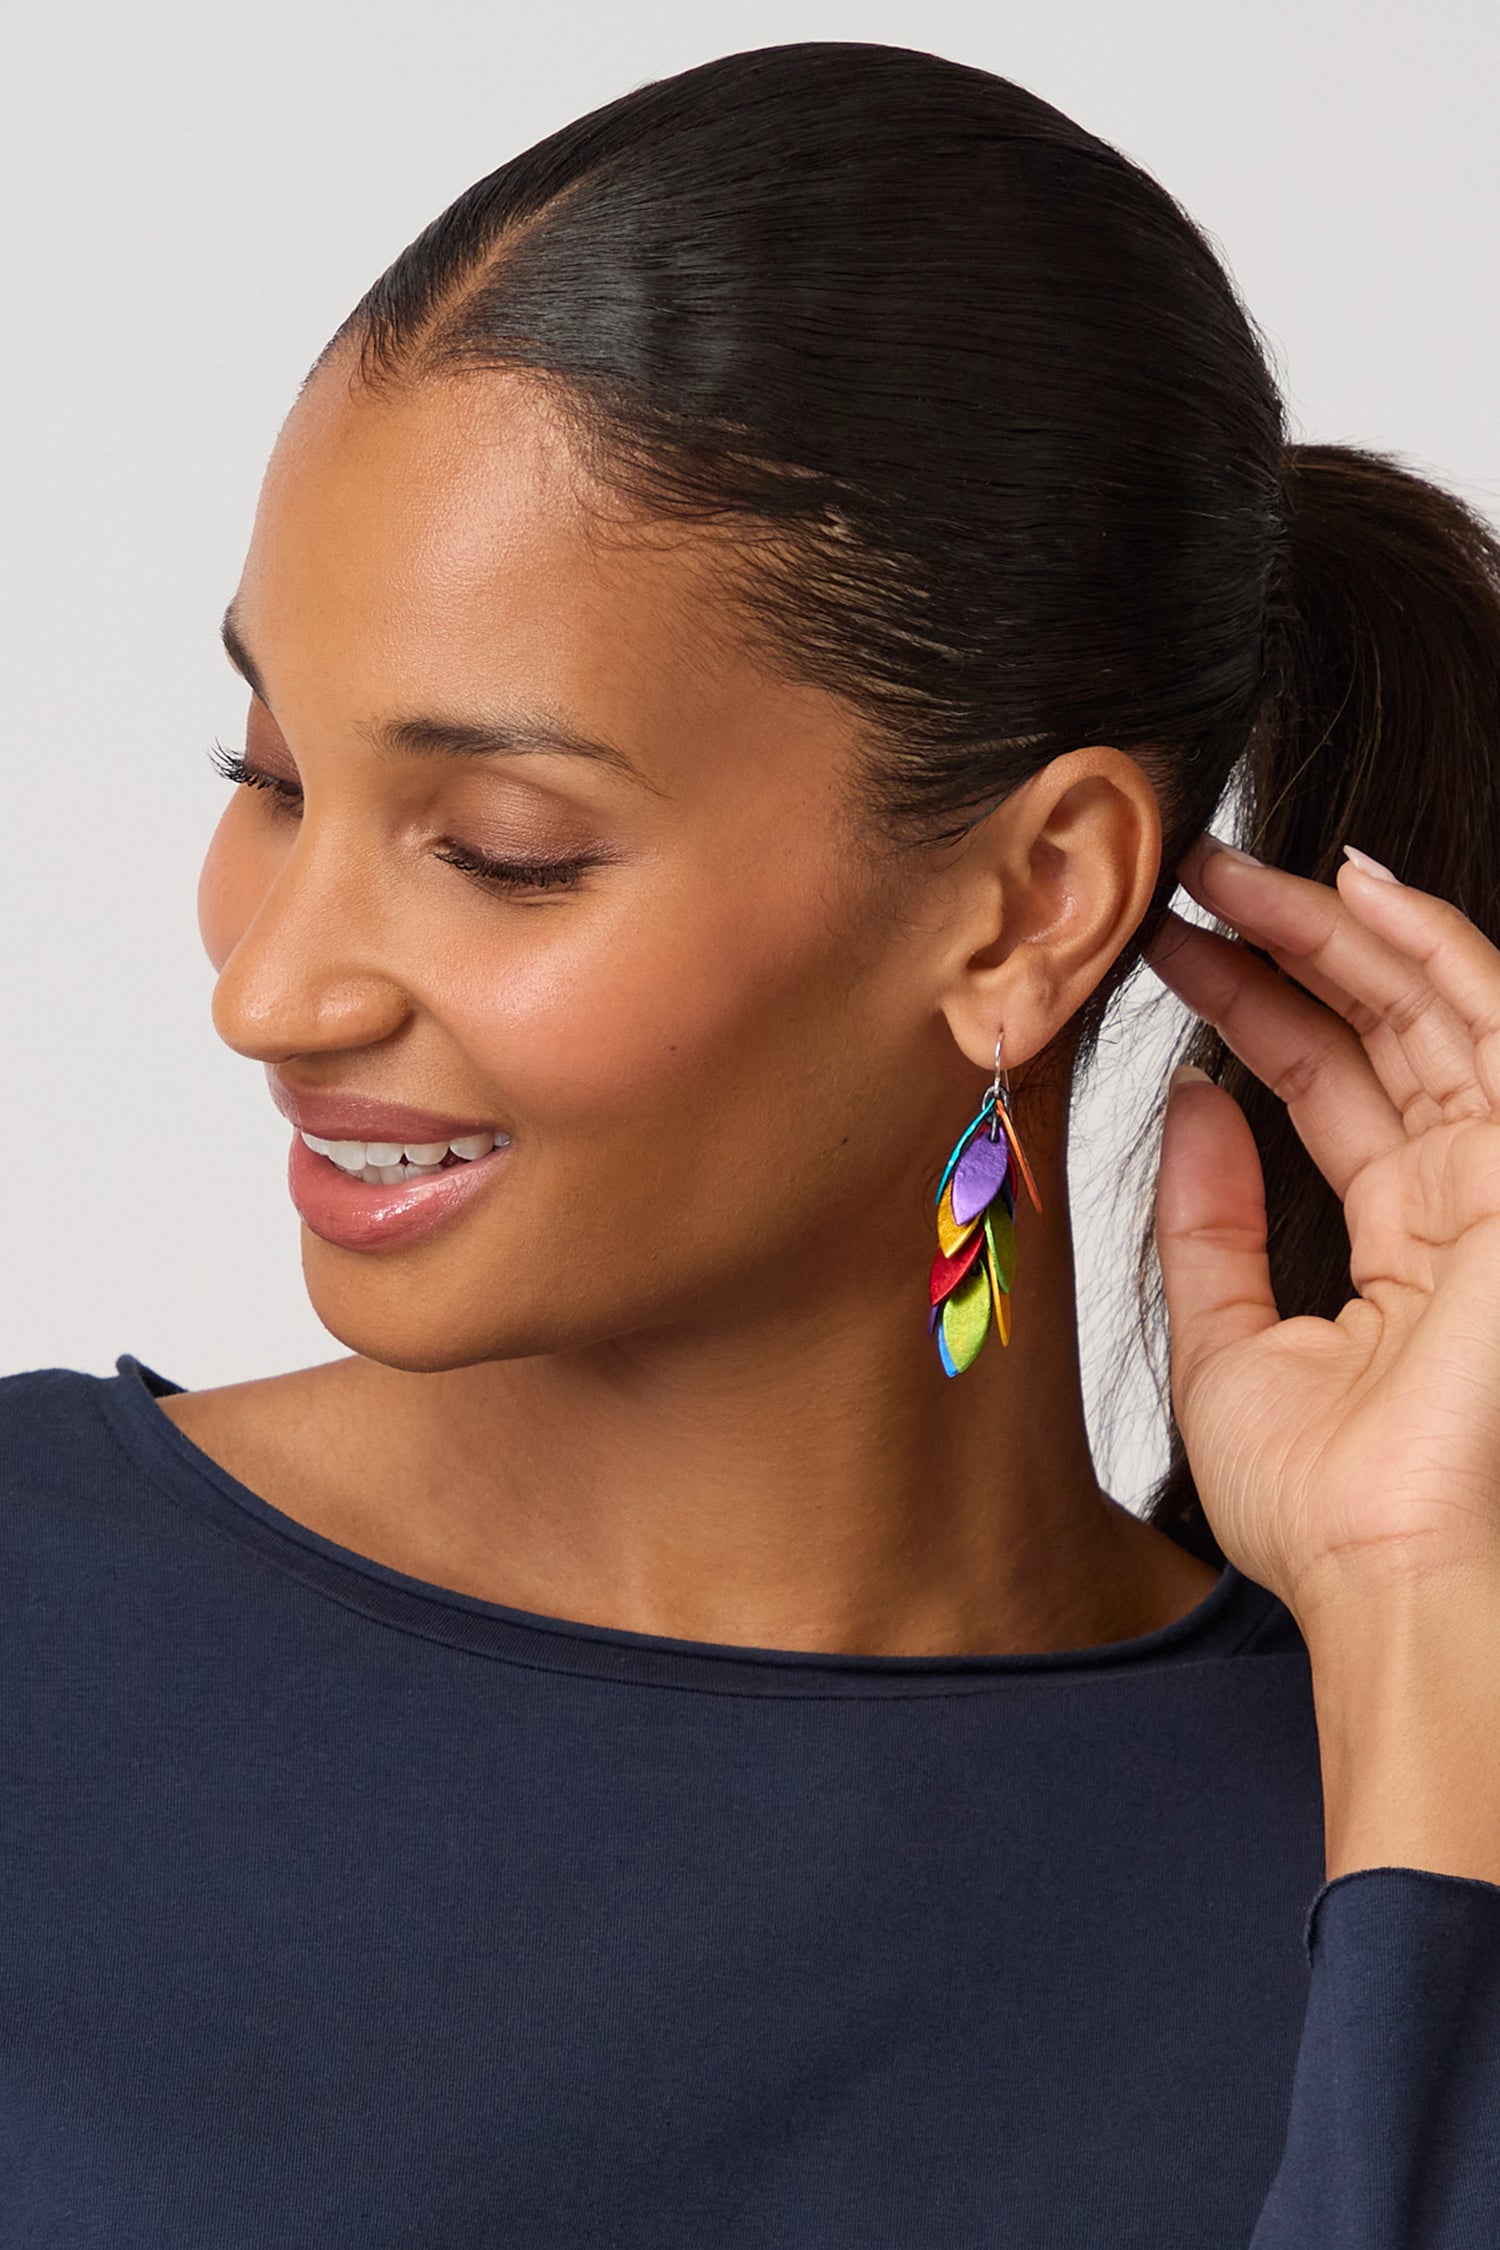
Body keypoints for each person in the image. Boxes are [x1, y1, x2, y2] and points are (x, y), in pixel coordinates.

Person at [4, 38, 1499, 2245]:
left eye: (500, 847)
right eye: (272, 777)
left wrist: (1423, 1642)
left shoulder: (1397, 1840)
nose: (269, 989)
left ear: (1028, 905)